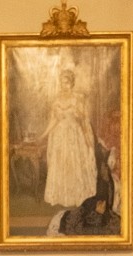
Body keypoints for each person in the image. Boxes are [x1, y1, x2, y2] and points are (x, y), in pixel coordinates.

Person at [40, 68, 97, 209]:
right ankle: (61, 196)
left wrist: (88, 140)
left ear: (71, 83)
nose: (63, 85)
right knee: (61, 163)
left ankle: (76, 196)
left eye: (66, 82)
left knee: (74, 163)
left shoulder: (78, 98)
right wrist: (43, 135)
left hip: (74, 135)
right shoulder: (57, 100)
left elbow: (84, 120)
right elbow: (53, 121)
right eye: (61, 82)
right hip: (60, 136)